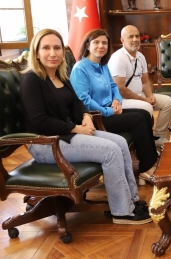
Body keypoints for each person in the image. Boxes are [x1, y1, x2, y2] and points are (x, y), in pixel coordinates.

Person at [19, 28, 151, 225]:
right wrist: (74, 128)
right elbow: (39, 121)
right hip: (45, 143)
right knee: (111, 151)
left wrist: (85, 115)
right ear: (36, 52)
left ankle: (131, 200)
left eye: (57, 48)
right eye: (46, 48)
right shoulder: (32, 79)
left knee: (120, 142)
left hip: (64, 135)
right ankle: (122, 211)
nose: (53, 53)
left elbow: (77, 103)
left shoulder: (61, 76)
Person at [70, 29, 158, 183]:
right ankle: (146, 169)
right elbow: (84, 100)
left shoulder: (102, 65)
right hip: (95, 117)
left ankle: (152, 160)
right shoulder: (80, 68)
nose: (101, 46)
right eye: (96, 42)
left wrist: (117, 100)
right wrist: (109, 110)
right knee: (137, 119)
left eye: (104, 43)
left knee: (144, 114)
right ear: (88, 45)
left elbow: (113, 87)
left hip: (110, 110)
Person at [108, 25, 171, 146]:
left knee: (168, 102)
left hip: (140, 96)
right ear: (122, 40)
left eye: (137, 36)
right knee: (146, 107)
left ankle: (158, 137)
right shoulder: (118, 58)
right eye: (130, 37)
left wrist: (150, 96)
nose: (135, 39)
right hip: (122, 100)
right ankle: (145, 142)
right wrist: (144, 100)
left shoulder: (140, 56)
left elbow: (145, 81)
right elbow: (120, 89)